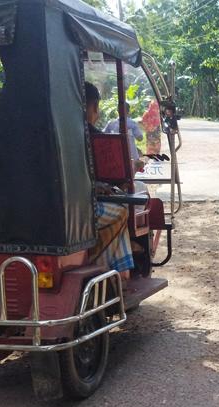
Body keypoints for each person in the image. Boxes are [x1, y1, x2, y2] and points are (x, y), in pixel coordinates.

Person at [85, 82, 134, 280]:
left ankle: (121, 272)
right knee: (122, 209)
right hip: (76, 211)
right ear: (94, 107)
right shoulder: (95, 136)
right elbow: (116, 177)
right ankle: (105, 268)